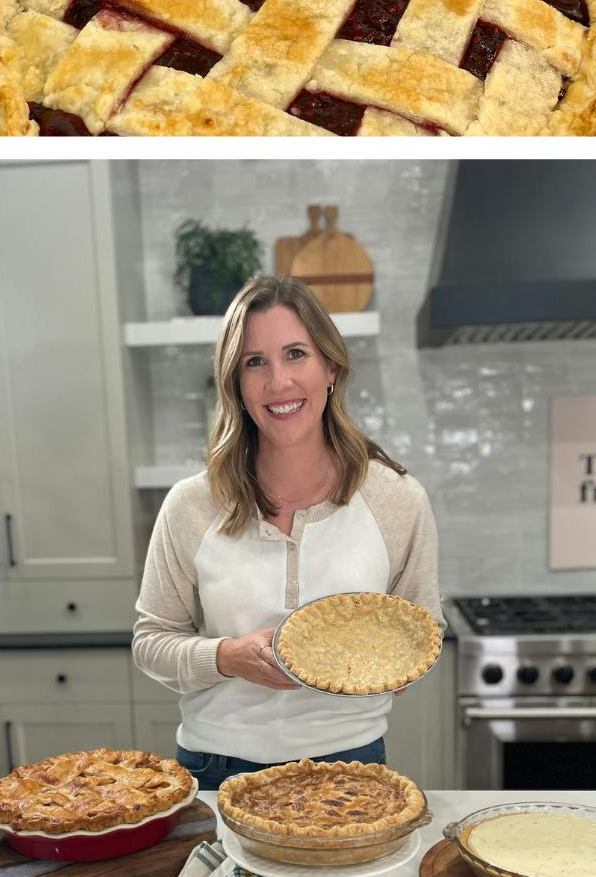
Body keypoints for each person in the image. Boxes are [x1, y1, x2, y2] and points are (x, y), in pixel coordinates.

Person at [131, 274, 439, 789]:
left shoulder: (397, 500)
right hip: (215, 768)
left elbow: (424, 630)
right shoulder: (191, 504)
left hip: (352, 764)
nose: (278, 383)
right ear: (235, 382)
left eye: (296, 354)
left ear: (331, 368)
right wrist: (226, 657)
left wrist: (392, 663)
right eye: (256, 363)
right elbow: (151, 642)